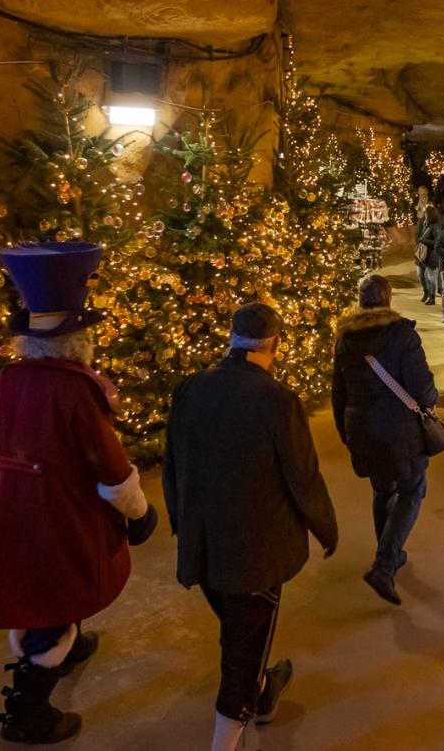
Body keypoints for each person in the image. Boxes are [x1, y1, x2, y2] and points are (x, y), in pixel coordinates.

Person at [0, 241, 158, 745]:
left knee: (39, 588)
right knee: (55, 589)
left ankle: (67, 644)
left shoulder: (5, 381)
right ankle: (29, 711)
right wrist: (140, 514)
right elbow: (111, 468)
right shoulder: (76, 388)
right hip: (56, 513)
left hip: (7, 507)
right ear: (75, 339)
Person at [164, 303, 339, 751]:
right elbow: (302, 475)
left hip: (203, 542)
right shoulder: (277, 401)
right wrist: (325, 527)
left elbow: (173, 465)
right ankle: (230, 733)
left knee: (238, 630)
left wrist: (181, 523)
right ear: (275, 345)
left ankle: (263, 690)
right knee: (243, 648)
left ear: (231, 337)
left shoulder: (191, 390)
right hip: (255, 551)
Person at [332, 274, 439, 606]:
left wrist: (346, 432)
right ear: (389, 300)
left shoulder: (346, 339)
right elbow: (422, 389)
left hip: (362, 427)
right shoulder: (402, 335)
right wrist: (431, 400)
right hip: (400, 430)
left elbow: (339, 391)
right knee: (411, 490)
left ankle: (387, 550)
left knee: (383, 489)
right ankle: (385, 562)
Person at [416, 205, 444, 305]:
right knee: (424, 275)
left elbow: (437, 242)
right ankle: (428, 294)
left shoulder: (435, 227)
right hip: (425, 254)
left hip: (432, 255)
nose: (425, 215)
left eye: (426, 213)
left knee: (430, 276)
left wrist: (423, 240)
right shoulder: (425, 224)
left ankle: (432, 297)